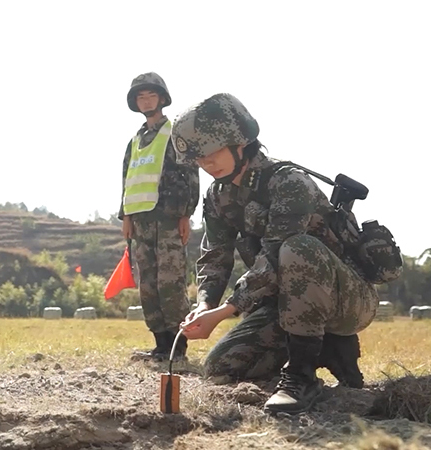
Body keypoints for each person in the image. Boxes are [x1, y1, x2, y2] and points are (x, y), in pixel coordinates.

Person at [174, 93, 402, 414]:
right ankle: (325, 350)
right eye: (198, 158)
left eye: (211, 153)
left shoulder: (289, 182)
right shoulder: (218, 196)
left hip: (348, 299)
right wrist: (204, 305)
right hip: (284, 304)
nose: (205, 163)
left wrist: (226, 310)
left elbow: (275, 254)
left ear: (241, 142)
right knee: (222, 368)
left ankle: (301, 376)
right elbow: (214, 254)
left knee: (296, 248)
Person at [118, 72, 200, 361]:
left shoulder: (174, 133)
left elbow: (190, 173)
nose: (146, 100)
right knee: (149, 286)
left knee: (171, 283)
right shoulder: (135, 141)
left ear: (162, 99)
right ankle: (160, 345)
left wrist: (185, 215)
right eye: (140, 96)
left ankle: (178, 348)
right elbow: (127, 179)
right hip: (139, 222)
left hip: (167, 220)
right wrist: (125, 216)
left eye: (151, 95)